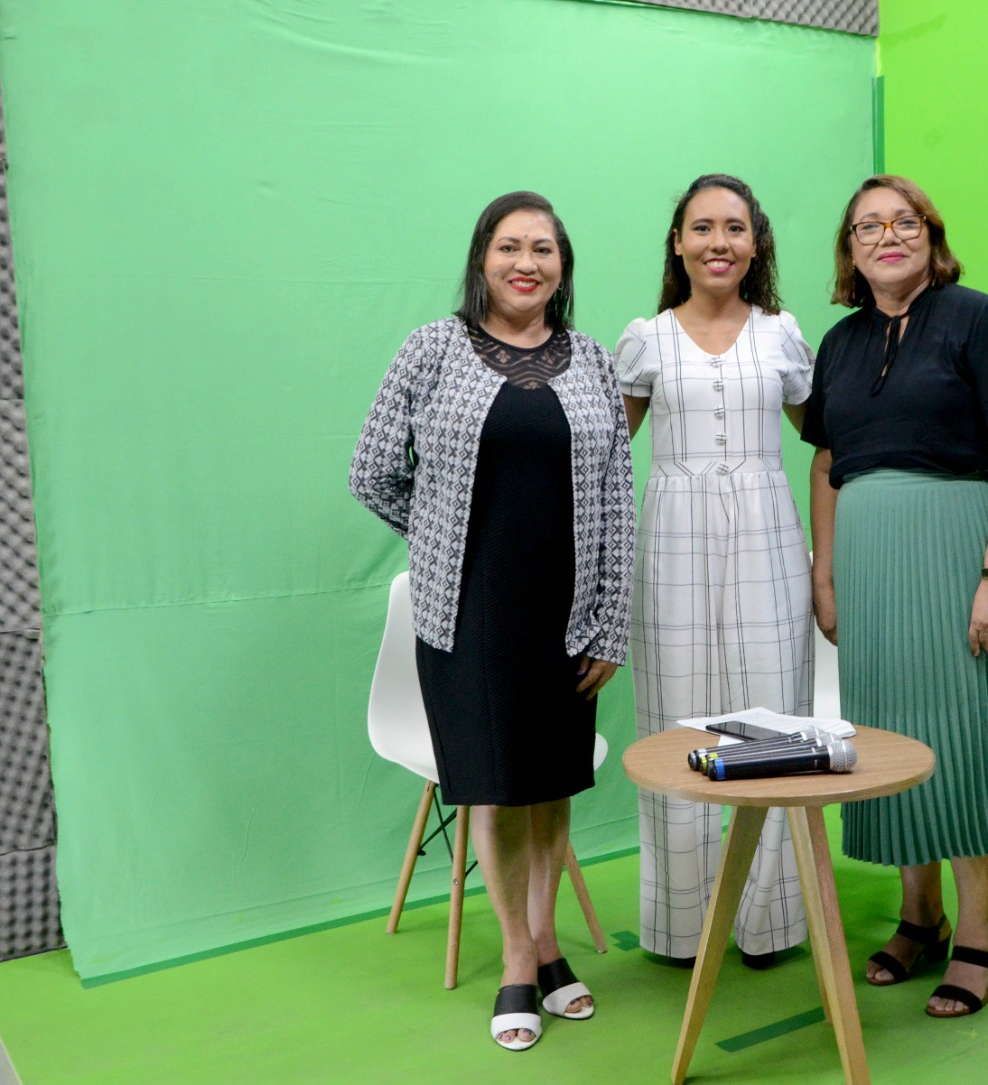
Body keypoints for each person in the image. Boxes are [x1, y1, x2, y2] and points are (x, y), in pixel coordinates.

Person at [349, 191, 635, 1051]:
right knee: (498, 789)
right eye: (510, 246)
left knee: (550, 789)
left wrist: (609, 622)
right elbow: (372, 470)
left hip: (568, 608)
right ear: (482, 260)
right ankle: (517, 956)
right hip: (467, 611)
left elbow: (617, 495)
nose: (527, 262)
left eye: (544, 249)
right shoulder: (434, 348)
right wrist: (440, 537)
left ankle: (549, 944)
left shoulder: (589, 359)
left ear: (562, 266)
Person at [801, 175, 988, 1019]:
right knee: (891, 736)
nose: (886, 236)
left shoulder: (977, 318)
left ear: (931, 238)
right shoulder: (838, 345)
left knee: (963, 733)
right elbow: (828, 462)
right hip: (868, 563)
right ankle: (921, 916)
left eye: (903, 222)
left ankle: (981, 937)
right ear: (850, 249)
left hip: (952, 549)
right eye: (867, 226)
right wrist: (824, 574)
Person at [615, 174, 814, 970]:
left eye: (734, 228)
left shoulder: (782, 334)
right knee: (677, 721)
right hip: (670, 539)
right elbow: (601, 455)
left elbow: (828, 439)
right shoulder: (645, 338)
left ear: (755, 242)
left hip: (769, 532)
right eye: (702, 227)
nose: (718, 242)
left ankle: (768, 920)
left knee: (775, 719)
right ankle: (680, 923)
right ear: (678, 241)